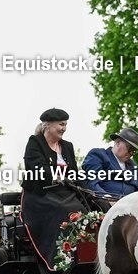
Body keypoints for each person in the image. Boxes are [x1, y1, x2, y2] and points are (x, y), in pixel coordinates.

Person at [20, 108, 97, 266]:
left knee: (90, 210)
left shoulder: (67, 146)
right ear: (47, 125)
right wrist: (56, 176)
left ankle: (87, 256)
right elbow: (35, 167)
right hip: (40, 194)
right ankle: (62, 259)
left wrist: (90, 190)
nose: (64, 128)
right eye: (61, 124)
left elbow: (74, 173)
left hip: (65, 193)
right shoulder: (35, 142)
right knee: (64, 211)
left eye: (66, 124)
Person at [82, 126, 138, 198]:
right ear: (117, 142)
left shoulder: (133, 166)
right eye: (129, 148)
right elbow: (92, 182)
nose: (131, 153)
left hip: (131, 207)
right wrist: (106, 198)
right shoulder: (98, 155)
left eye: (134, 151)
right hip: (103, 205)